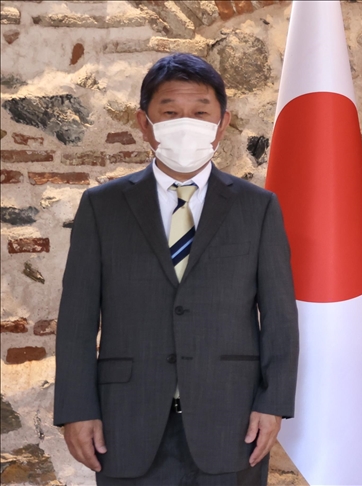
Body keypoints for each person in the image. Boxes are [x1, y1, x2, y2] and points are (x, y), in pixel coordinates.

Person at [53, 53, 300, 485]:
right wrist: (76, 409)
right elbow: (77, 319)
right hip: (125, 422)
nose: (186, 123)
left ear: (222, 123)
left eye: (200, 112)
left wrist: (273, 402)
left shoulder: (257, 207)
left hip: (232, 419)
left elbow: (279, 316)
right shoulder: (102, 207)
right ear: (145, 123)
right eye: (170, 112)